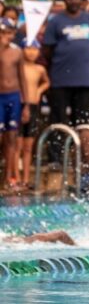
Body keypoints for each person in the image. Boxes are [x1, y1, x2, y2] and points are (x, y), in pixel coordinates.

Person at [42, 0, 89, 150]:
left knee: (81, 120)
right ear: (64, 0)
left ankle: (78, 155)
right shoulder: (56, 21)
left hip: (85, 80)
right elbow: (48, 50)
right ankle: (56, 156)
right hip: (60, 79)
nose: (73, 1)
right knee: (58, 119)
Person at [0, 19, 30, 188]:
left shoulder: (17, 52)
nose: (7, 36)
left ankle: (7, 178)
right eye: (3, 33)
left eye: (9, 33)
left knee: (11, 138)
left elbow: (22, 78)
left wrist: (26, 104)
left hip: (13, 97)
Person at [19, 41, 50, 188]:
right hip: (18, 105)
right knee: (16, 146)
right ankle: (14, 178)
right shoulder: (18, 67)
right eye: (28, 48)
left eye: (35, 49)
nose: (31, 52)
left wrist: (38, 91)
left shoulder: (40, 69)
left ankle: (25, 179)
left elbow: (46, 82)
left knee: (28, 147)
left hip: (33, 107)